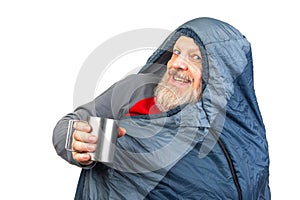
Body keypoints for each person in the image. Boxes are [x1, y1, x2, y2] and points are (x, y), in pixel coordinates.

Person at [53, 17, 270, 199]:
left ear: (223, 72)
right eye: (176, 52)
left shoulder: (244, 130)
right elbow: (70, 125)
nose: (177, 63)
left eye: (196, 57)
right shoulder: (135, 90)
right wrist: (76, 140)